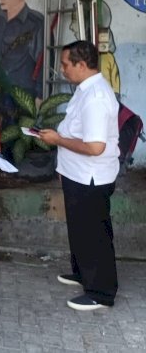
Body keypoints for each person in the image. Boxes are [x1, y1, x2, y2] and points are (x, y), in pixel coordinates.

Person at [39, 41, 120, 311]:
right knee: (81, 231)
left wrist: (57, 139)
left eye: (65, 64)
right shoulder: (85, 90)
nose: (62, 70)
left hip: (91, 177)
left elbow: (95, 147)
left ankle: (101, 292)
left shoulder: (95, 96)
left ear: (81, 65)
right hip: (79, 175)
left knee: (94, 233)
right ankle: (84, 274)